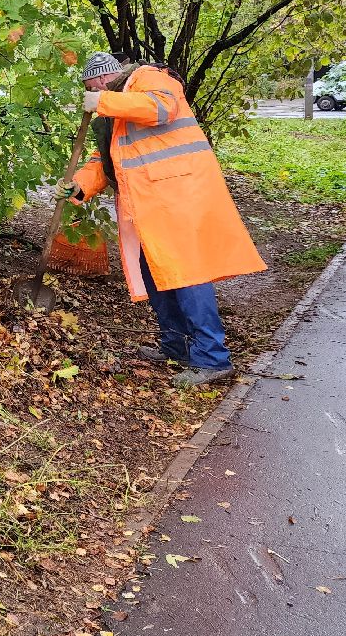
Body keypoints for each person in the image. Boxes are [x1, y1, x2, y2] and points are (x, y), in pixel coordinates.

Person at [66, 51, 266, 386]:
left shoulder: (149, 78)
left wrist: (105, 102)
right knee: (155, 274)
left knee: (187, 274)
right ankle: (176, 346)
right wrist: (78, 186)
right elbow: (105, 159)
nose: (92, 93)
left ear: (102, 79)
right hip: (146, 206)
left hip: (179, 198)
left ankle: (213, 359)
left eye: (92, 87)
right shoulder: (113, 112)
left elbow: (161, 109)